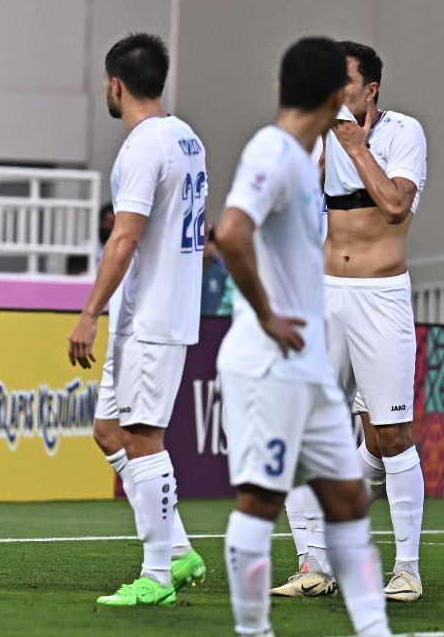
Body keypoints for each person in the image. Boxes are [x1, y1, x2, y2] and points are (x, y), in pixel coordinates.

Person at [216, 36, 391, 637]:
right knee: (261, 502)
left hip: (306, 366)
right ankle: (253, 629)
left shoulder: (297, 152)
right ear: (337, 95)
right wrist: (265, 313)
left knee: (346, 499)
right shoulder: (276, 150)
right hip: (268, 365)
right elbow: (232, 232)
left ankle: (373, 627)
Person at [276, 41, 427, 603]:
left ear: (370, 89)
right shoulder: (321, 132)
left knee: (391, 436)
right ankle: (313, 564)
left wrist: (357, 147)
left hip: (379, 295)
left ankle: (407, 569)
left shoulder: (402, 133)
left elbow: (394, 205)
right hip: (322, 293)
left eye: (344, 83)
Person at [67, 33, 206, 607]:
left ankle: (156, 576)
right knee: (110, 431)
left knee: (143, 438)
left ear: (115, 83)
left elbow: (124, 237)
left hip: (151, 315)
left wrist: (88, 313)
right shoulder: (187, 138)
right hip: (148, 313)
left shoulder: (142, 147)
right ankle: (178, 550)